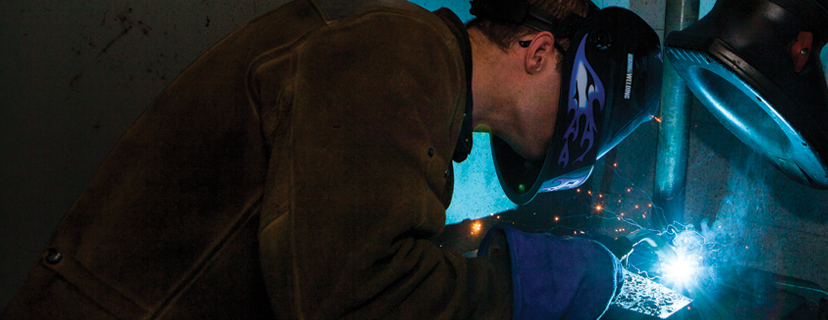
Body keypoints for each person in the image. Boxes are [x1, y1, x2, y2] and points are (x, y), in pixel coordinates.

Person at [0, 0, 662, 318]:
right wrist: (522, 285)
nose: (581, 144)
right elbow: (354, 300)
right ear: (540, 51)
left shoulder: (423, 95)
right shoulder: (398, 56)